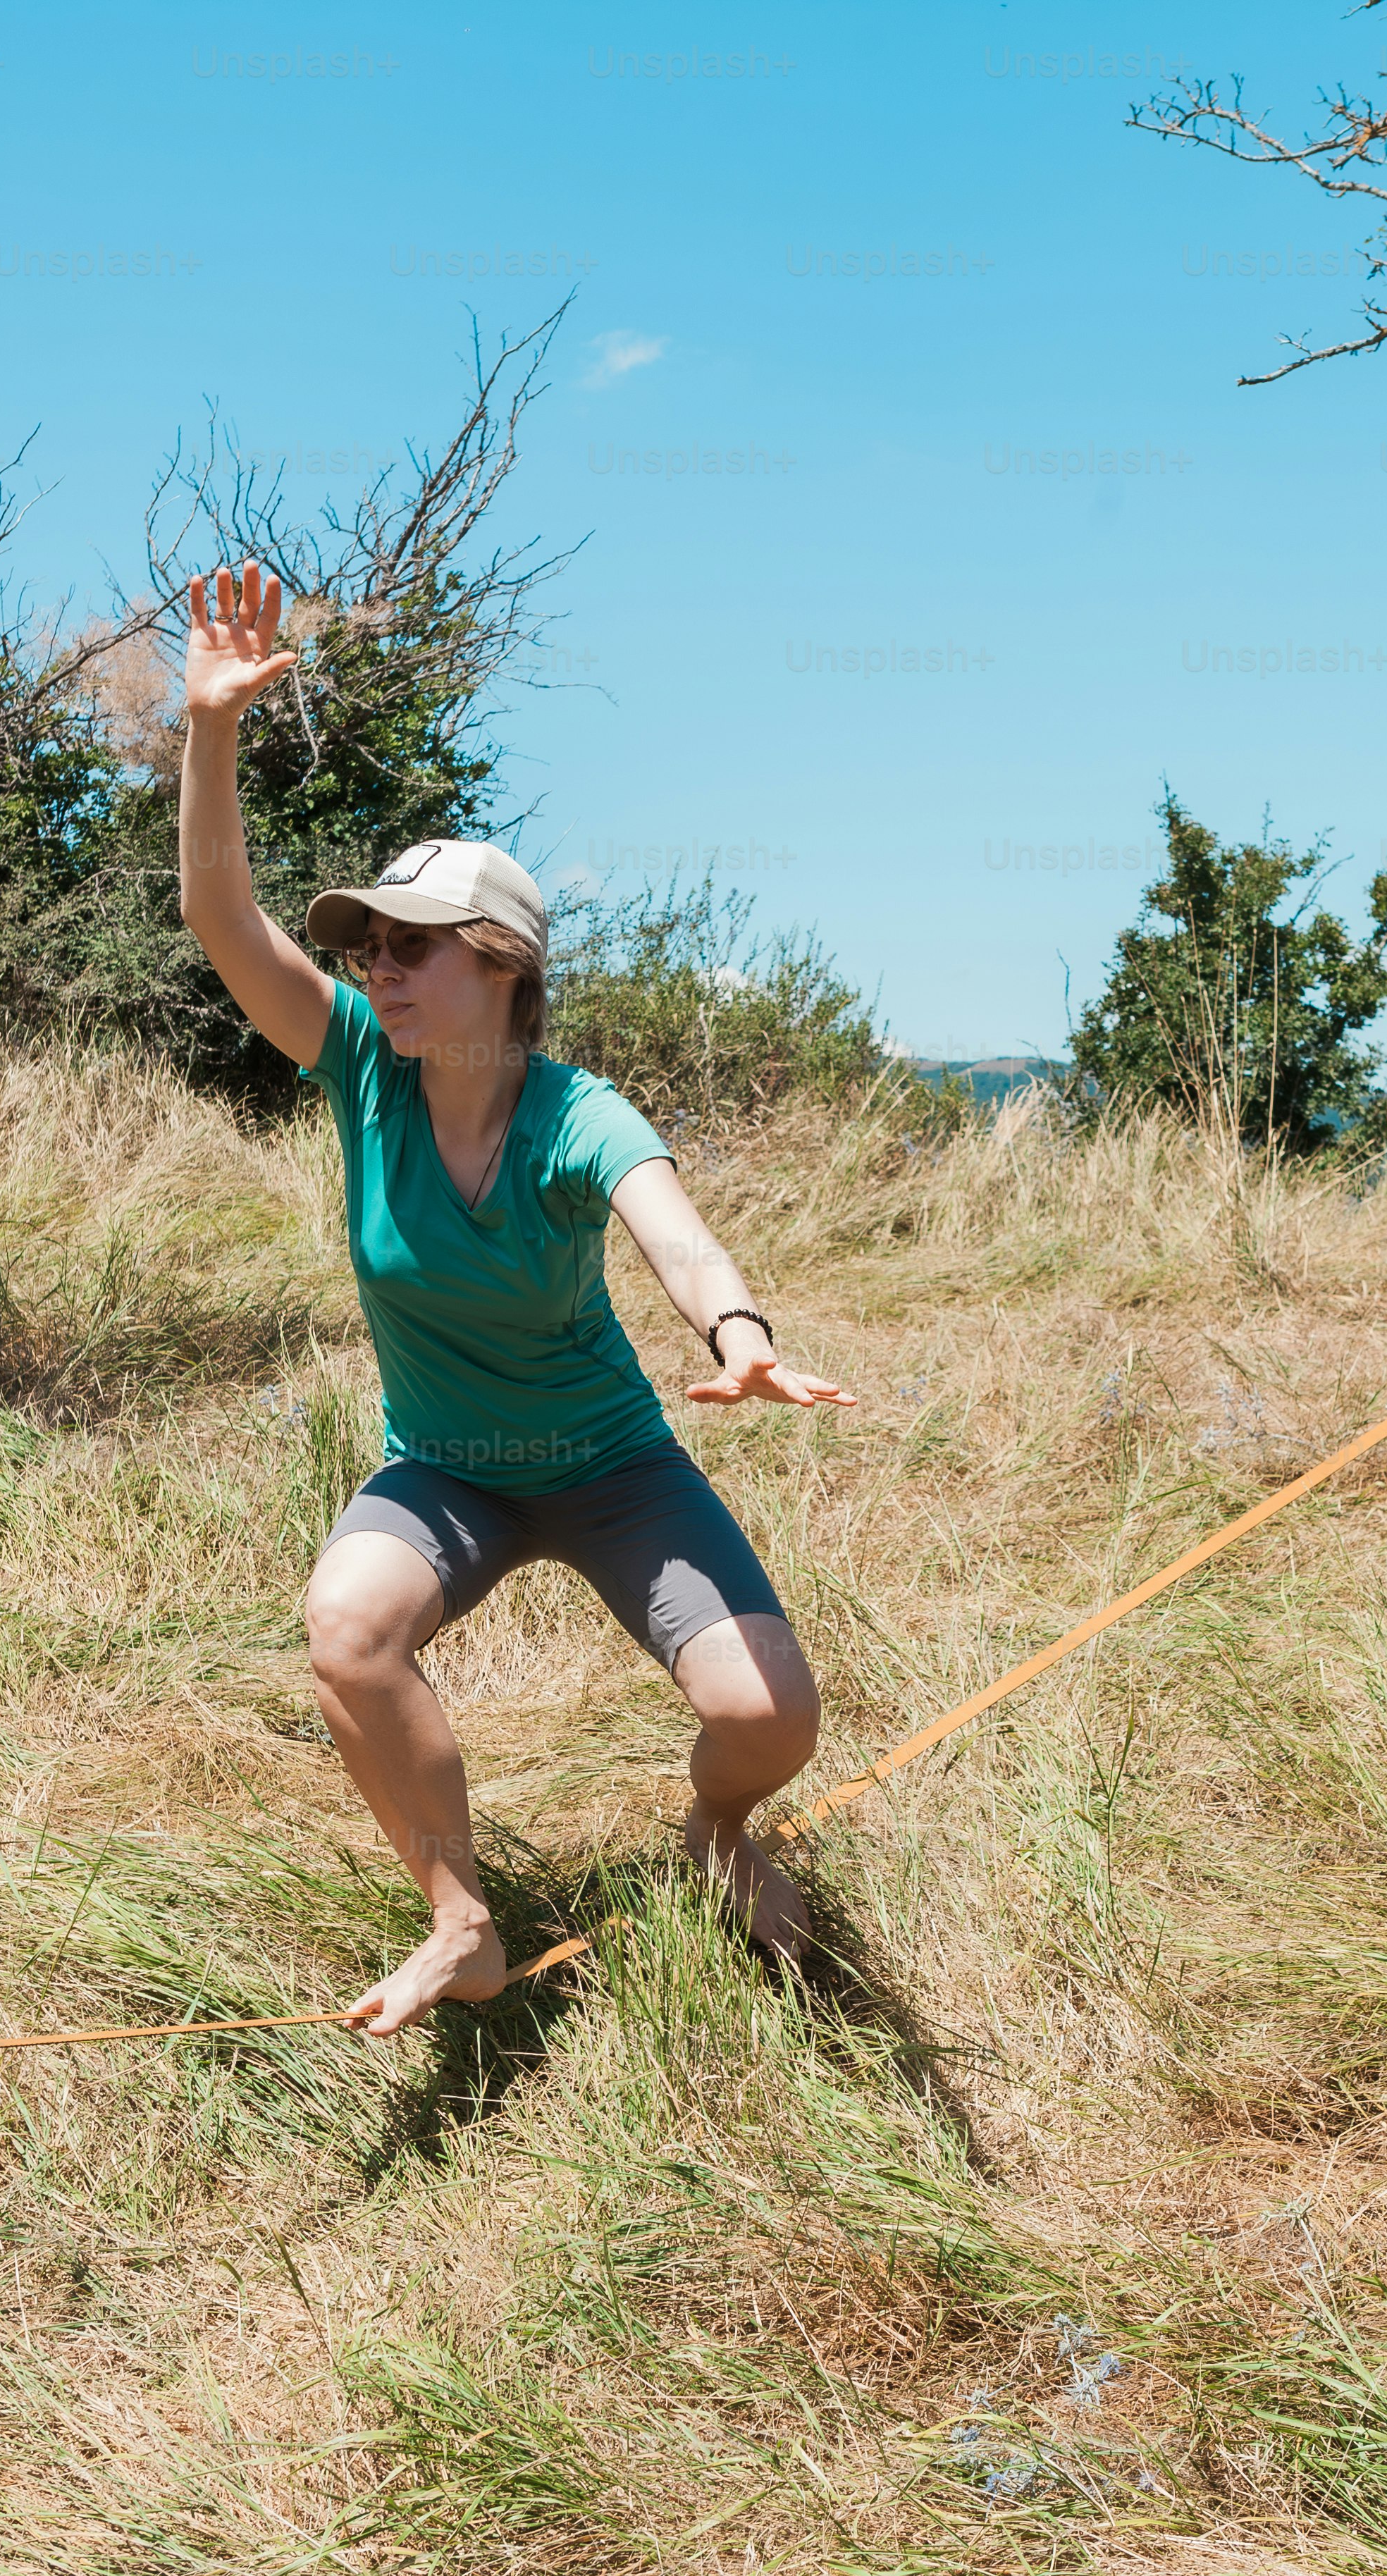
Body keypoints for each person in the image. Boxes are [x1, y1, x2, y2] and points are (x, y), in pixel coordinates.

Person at [171, 560, 857, 2036]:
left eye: (408, 948)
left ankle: (719, 1838)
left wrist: (742, 1343)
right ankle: (463, 1922)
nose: (378, 970)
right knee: (346, 1627)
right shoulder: (358, 1068)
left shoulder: (575, 1111)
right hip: (450, 1475)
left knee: (767, 1716)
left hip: (613, 1467)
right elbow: (223, 917)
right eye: (369, 948)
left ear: (500, 967)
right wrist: (210, 730)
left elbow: (676, 1237)